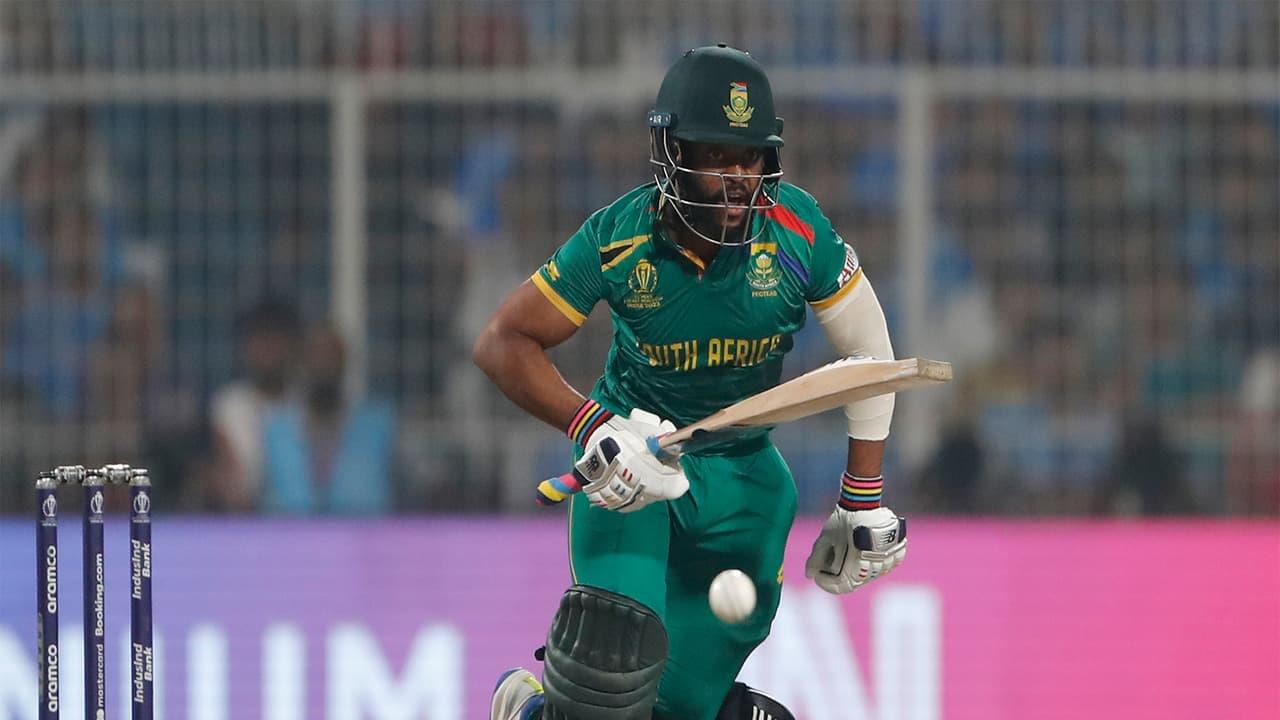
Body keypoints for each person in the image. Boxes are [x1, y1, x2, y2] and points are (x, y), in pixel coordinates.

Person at [474, 45, 908, 720]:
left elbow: (871, 356)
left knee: (676, 711)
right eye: (715, 157)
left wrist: (862, 498)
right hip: (633, 470)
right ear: (670, 151)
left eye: (750, 159)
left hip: (745, 487)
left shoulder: (798, 232)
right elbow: (502, 342)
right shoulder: (620, 238)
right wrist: (595, 426)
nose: (737, 180)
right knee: (607, 685)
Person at [259, 324, 398, 514]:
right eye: (316, 356)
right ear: (302, 363)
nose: (324, 366)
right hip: (290, 531)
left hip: (363, 530)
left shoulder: (377, 426)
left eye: (331, 357)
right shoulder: (276, 428)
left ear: (344, 364)